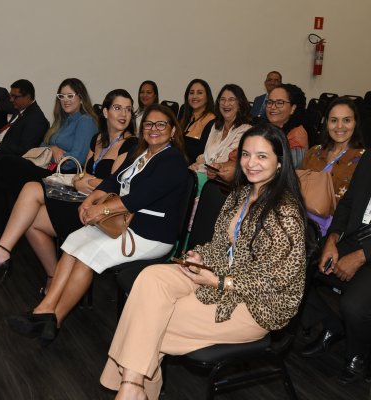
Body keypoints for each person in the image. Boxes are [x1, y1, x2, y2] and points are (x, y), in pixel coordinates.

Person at [100, 123, 307, 400]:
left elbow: (275, 281)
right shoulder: (240, 195)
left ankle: (131, 389)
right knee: (150, 279)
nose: (250, 163)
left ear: (280, 162)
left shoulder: (285, 212)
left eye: (261, 156)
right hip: (217, 280)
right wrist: (200, 256)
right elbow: (220, 246)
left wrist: (219, 280)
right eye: (245, 154)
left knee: (148, 320)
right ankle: (134, 389)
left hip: (255, 306)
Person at [7, 104, 189, 344]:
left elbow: (138, 198)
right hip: (125, 224)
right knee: (74, 240)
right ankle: (46, 309)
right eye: (148, 124)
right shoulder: (142, 154)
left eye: (160, 124)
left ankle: (55, 319)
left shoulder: (173, 160)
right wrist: (89, 201)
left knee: (86, 255)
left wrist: (99, 209)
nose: (153, 129)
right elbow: (114, 181)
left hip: (150, 235)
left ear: (173, 130)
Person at [0, 89, 137, 295]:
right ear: (105, 112)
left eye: (128, 109)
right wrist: (79, 181)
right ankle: (49, 274)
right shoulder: (98, 139)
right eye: (117, 108)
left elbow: (114, 185)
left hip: (99, 211)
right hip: (80, 197)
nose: (123, 114)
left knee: (27, 187)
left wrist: (86, 181)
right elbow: (82, 173)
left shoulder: (131, 143)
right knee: (28, 216)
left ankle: (2, 249)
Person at [0, 78, 98, 248]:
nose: (65, 100)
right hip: (48, 169)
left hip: (63, 178)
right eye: (62, 96)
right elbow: (42, 146)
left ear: (81, 97)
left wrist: (54, 151)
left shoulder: (85, 121)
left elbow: (76, 160)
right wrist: (53, 148)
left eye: (70, 96)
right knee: (4, 185)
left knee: (6, 162)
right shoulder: (62, 119)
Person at [300, 149, 371, 384]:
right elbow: (349, 201)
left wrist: (362, 255)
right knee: (298, 264)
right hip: (354, 235)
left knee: (353, 305)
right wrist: (332, 239)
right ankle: (333, 325)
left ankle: (358, 354)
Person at [301, 97, 365, 235]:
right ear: (327, 123)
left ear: (355, 123)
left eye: (346, 120)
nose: (339, 126)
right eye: (334, 120)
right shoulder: (314, 152)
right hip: (301, 224)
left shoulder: (363, 159)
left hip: (336, 232)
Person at [0, 78, 48, 174]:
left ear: (28, 97)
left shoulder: (36, 119)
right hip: (0, 150)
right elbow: (11, 133)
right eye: (11, 96)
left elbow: (25, 151)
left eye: (15, 97)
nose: (11, 100)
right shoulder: (20, 109)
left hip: (6, 159)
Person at [191, 84, 251, 189]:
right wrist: (196, 164)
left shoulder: (246, 131)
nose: (226, 104)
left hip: (221, 185)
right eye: (222, 100)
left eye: (231, 99)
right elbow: (205, 156)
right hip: (202, 175)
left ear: (240, 103)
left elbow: (233, 163)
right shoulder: (214, 126)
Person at [266, 83, 308, 168]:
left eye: (279, 103)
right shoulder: (269, 129)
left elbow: (290, 171)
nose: (273, 107)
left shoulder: (297, 135)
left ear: (293, 108)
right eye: (270, 102)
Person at [180, 79, 215, 164]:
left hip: (194, 169)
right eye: (191, 93)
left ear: (207, 97)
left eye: (199, 93)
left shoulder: (213, 121)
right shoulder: (185, 117)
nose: (194, 96)